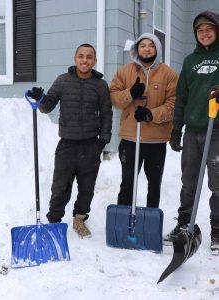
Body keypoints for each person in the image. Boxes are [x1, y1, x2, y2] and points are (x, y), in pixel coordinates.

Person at [27, 43, 112, 238]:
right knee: (60, 187)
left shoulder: (100, 85)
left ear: (95, 61)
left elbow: (107, 114)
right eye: (81, 56)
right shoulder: (63, 81)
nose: (85, 60)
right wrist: (40, 98)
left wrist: (103, 140)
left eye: (89, 57)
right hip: (67, 145)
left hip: (91, 144)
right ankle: (54, 222)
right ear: (75, 59)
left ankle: (79, 219)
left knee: (87, 188)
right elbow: (47, 107)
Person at [164, 11, 219, 254]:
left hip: (216, 131)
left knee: (218, 184)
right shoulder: (190, 61)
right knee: (189, 183)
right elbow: (182, 97)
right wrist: (177, 129)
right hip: (193, 131)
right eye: (200, 30)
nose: (204, 33)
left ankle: (217, 229)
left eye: (209, 29)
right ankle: (185, 222)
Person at [109, 33, 178, 209]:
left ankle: (150, 220)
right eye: (143, 45)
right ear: (137, 49)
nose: (147, 49)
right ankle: (124, 221)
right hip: (131, 139)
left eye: (151, 45)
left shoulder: (168, 74)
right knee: (127, 183)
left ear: (157, 49)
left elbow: (174, 104)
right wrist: (130, 94)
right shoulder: (124, 72)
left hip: (156, 141)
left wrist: (150, 114)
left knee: (154, 185)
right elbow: (113, 98)